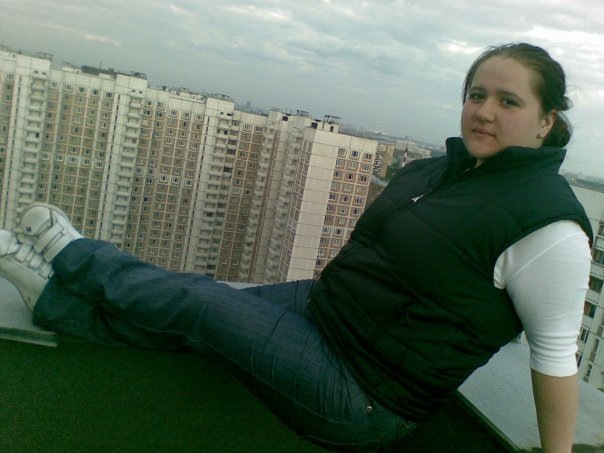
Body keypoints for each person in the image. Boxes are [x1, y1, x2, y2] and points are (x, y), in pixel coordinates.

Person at [0, 43, 593, 452]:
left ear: (546, 121)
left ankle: (75, 257)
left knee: (200, 302)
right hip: (323, 313)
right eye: (476, 93)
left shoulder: (549, 227)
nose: (484, 111)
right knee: (190, 318)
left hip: (363, 394)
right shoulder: (437, 171)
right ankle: (51, 298)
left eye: (508, 101)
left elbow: (555, 353)